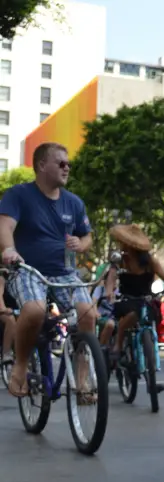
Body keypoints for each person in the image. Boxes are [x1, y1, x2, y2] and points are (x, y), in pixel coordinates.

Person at [0, 142, 96, 398]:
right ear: (42, 165)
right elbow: (5, 227)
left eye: (69, 164)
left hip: (65, 273)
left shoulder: (74, 203)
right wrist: (9, 250)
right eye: (61, 163)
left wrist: (81, 244)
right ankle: (19, 367)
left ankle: (82, 381)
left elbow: (87, 238)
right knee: (34, 310)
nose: (67, 168)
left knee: (88, 315)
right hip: (28, 271)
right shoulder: (17, 195)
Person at [105, 224, 164, 379]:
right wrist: (109, 291)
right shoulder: (121, 260)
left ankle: (150, 353)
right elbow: (111, 278)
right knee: (133, 313)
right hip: (126, 300)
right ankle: (119, 343)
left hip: (146, 299)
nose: (122, 246)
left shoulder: (150, 261)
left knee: (152, 313)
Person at [0, 273, 17, 363]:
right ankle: (6, 353)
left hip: (15, 310)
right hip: (4, 311)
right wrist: (3, 309)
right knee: (10, 320)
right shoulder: (2, 278)